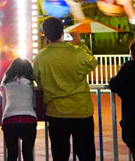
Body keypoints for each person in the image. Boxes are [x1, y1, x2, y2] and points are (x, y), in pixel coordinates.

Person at [33, 17, 98, 161]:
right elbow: (92, 62)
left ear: (45, 35)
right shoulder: (77, 52)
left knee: (60, 154)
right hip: (81, 110)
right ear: (63, 32)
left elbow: (38, 79)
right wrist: (79, 43)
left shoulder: (41, 57)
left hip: (56, 112)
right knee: (86, 154)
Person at [0, 58, 38, 161]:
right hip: (29, 118)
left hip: (10, 118)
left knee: (12, 153)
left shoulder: (6, 81)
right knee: (28, 153)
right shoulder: (30, 82)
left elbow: (2, 94)